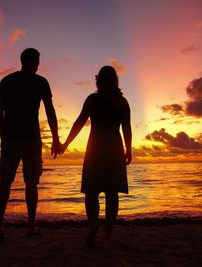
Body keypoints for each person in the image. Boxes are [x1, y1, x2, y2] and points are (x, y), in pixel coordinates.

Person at [60, 65, 132, 249]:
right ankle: (108, 229)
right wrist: (128, 149)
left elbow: (79, 122)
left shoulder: (93, 99)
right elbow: (127, 128)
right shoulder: (122, 102)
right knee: (112, 193)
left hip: (95, 149)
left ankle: (94, 228)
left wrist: (66, 143)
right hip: (114, 149)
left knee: (92, 193)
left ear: (98, 80)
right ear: (115, 81)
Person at [0, 48, 60, 242]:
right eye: (38, 61)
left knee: (5, 181)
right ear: (35, 61)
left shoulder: (7, 81)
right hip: (31, 139)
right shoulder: (40, 82)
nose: (39, 64)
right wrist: (55, 138)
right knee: (31, 183)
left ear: (22, 60)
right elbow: (50, 111)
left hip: (11, 138)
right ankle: (30, 226)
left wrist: (3, 134)